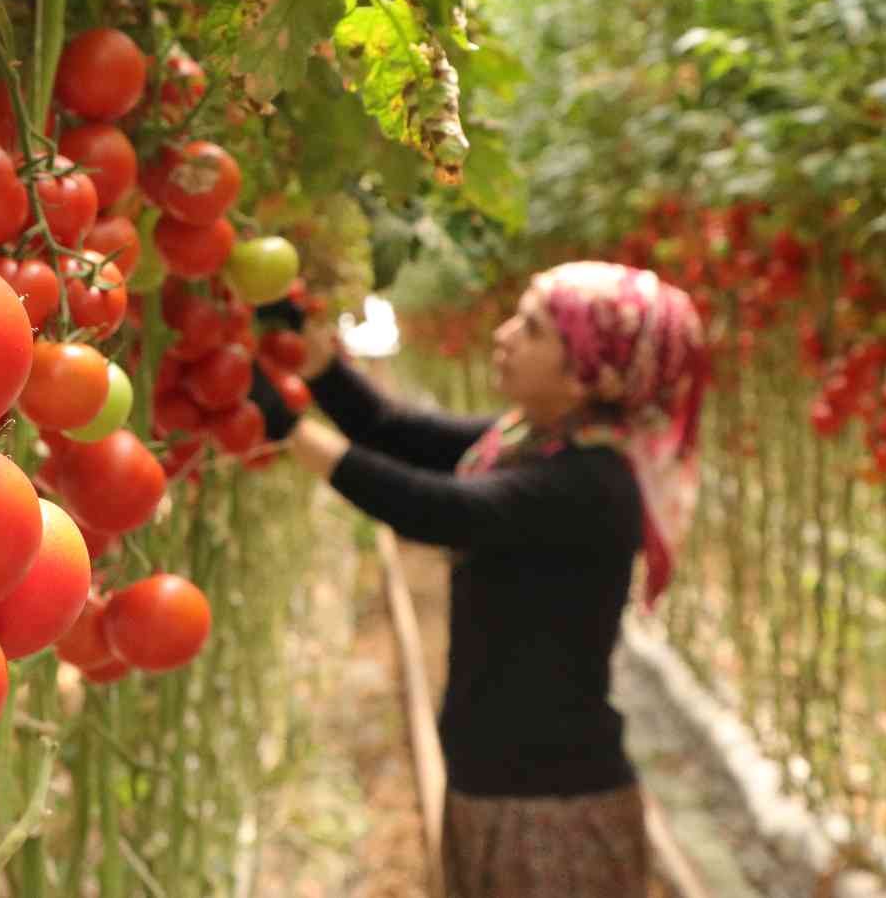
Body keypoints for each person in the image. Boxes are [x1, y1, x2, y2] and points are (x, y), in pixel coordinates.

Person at [250, 261, 708, 898]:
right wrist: (312, 361)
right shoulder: (531, 440)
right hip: (503, 787)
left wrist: (290, 428)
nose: (503, 334)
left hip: (551, 812)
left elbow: (438, 509)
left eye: (534, 328)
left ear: (584, 373)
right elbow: (394, 431)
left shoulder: (592, 483)